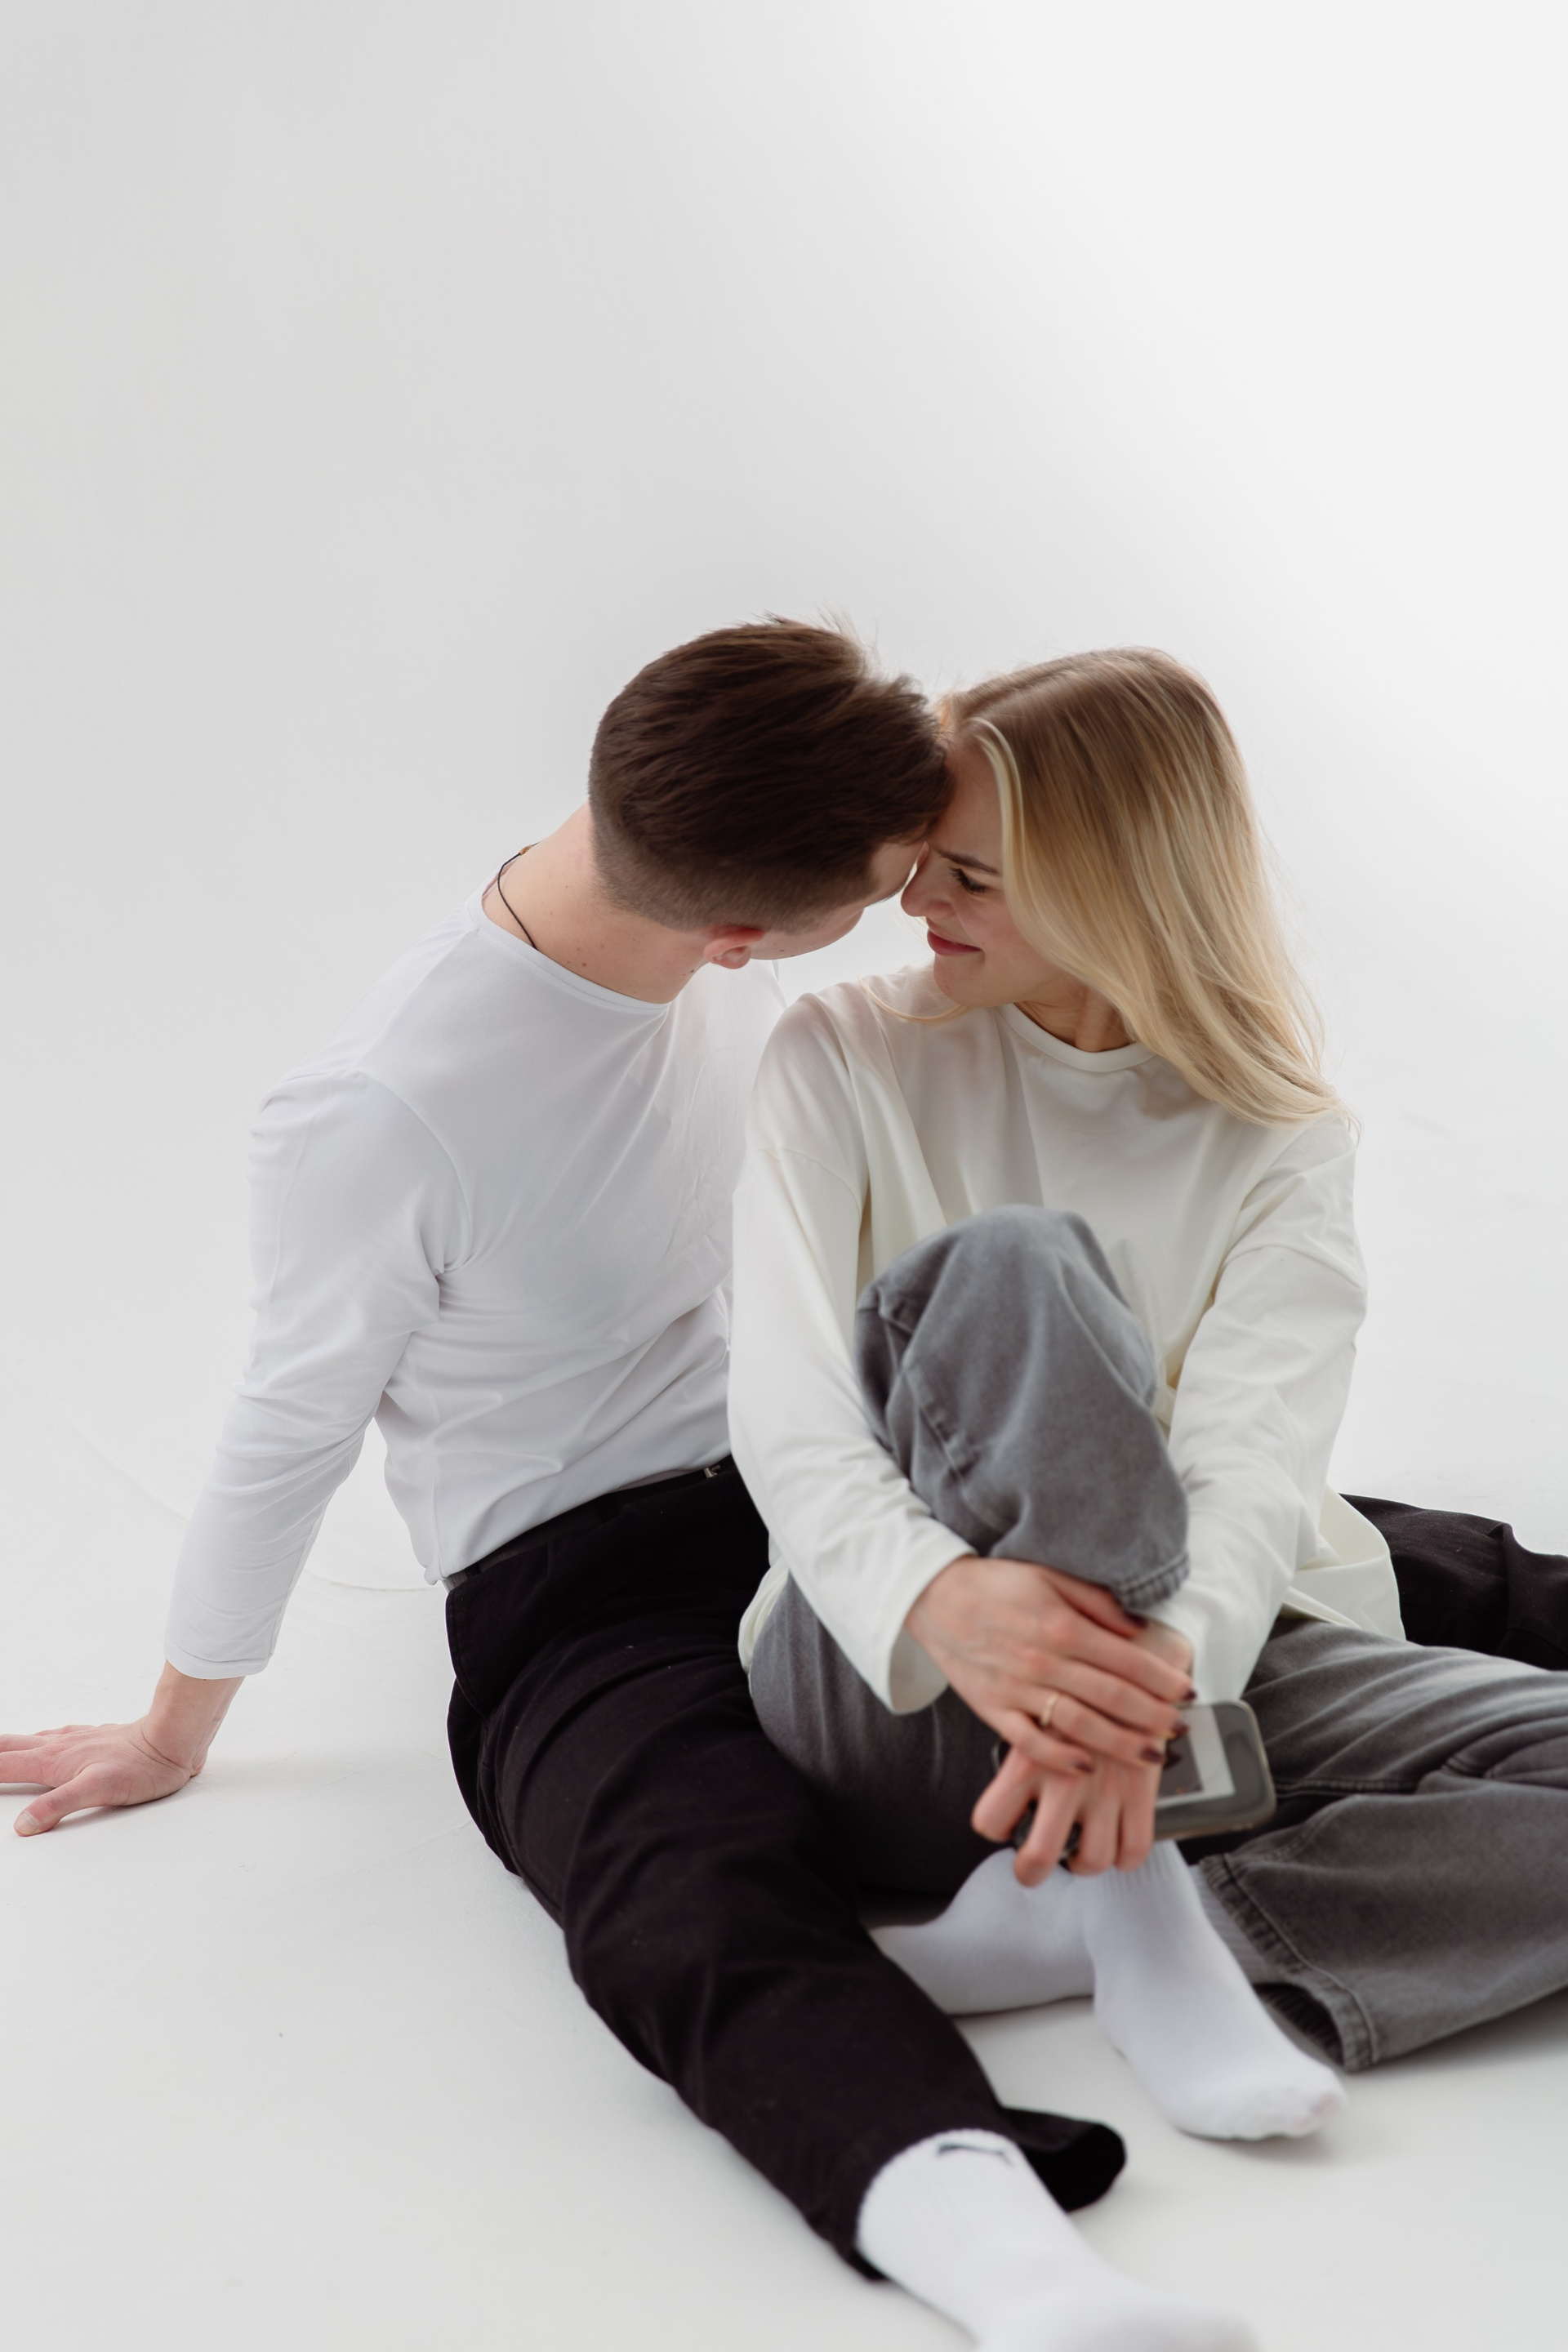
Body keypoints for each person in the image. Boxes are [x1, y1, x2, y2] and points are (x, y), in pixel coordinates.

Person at [0, 621, 1148, 2306]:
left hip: (819, 1457)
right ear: (741, 933)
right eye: (888, 885)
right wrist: (174, 1730)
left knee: (1282, 1552)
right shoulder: (384, 1111)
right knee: (679, 1875)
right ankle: (992, 2244)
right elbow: (285, 1431)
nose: (917, 902)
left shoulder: (706, 916)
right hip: (579, 1586)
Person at [730, 647, 1568, 2352]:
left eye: (970, 875)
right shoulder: (842, 1053)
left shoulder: (1278, 1135)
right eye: (923, 862)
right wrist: (937, 1598)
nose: (915, 903)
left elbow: (1254, 1475)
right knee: (1021, 1270)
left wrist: (1153, 1685)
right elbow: (787, 1407)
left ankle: (1140, 1911)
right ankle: (1130, 1881)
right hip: (890, 1670)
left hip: (1212, 1669)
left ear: (1112, 883)